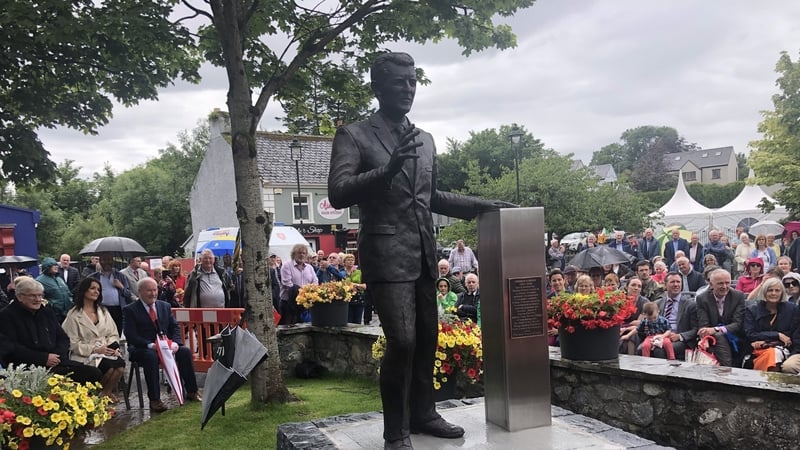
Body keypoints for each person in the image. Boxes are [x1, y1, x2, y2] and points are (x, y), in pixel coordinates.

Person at [327, 52, 511, 449]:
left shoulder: (424, 139)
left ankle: (424, 413)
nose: (408, 88)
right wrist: (387, 171)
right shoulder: (354, 135)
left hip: (425, 253)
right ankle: (396, 431)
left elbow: (433, 197)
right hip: (386, 254)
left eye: (413, 81)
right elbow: (338, 192)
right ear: (378, 87)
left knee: (428, 337)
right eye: (399, 82)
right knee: (404, 341)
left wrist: (484, 204)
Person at [0, 277, 102, 383]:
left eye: (40, 295)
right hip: (28, 367)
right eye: (33, 296)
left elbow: (63, 338)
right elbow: (11, 349)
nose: (38, 299)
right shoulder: (6, 316)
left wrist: (57, 357)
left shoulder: (46, 312)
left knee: (93, 373)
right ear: (20, 297)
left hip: (56, 362)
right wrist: (44, 358)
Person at [122, 277, 201, 412]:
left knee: (185, 352)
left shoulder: (164, 306)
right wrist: (151, 345)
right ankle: (155, 400)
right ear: (140, 292)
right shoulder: (130, 310)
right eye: (149, 291)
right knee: (151, 357)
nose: (153, 294)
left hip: (166, 346)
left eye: (155, 290)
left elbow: (174, 327)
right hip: (142, 348)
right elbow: (131, 335)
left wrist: (176, 343)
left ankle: (192, 391)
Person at [62, 277, 126, 400]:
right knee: (110, 367)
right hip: (85, 355)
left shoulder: (103, 311)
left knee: (120, 366)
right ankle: (97, 395)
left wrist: (112, 347)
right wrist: (95, 350)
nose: (96, 291)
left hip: (106, 350)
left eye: (98, 289)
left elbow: (113, 333)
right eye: (92, 288)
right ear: (84, 291)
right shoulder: (74, 315)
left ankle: (104, 394)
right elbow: (72, 343)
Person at [695, 268, 746, 367]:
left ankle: (726, 369)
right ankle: (727, 370)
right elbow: (703, 324)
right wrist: (704, 336)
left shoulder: (738, 296)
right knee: (716, 338)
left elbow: (737, 324)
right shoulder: (702, 299)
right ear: (711, 284)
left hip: (735, 336)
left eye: (727, 283)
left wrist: (716, 329)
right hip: (712, 338)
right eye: (720, 283)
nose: (725, 286)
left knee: (718, 336)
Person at [743, 277, 795, 371]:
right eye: (770, 290)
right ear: (764, 292)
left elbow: (789, 334)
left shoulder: (791, 309)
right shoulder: (752, 310)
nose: (773, 293)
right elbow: (751, 334)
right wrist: (777, 334)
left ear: (782, 292)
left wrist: (766, 341)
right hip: (756, 349)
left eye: (777, 290)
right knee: (772, 355)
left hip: (781, 348)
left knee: (773, 353)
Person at [654, 272, 698, 360]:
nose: (676, 285)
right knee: (640, 348)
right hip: (659, 337)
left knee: (659, 350)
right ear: (665, 285)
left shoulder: (690, 304)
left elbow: (696, 329)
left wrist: (679, 336)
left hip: (680, 340)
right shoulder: (657, 304)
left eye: (678, 282)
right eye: (672, 282)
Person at [90, 253, 133, 334]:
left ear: (112, 261)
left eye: (109, 259)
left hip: (118, 311)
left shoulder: (121, 276)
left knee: (117, 333)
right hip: (100, 310)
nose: (107, 262)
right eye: (104, 260)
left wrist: (121, 287)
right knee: (102, 333)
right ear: (100, 261)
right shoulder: (93, 277)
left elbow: (128, 295)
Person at [279, 244, 318, 325]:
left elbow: (315, 282)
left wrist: (308, 294)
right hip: (289, 304)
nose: (302, 255)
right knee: (288, 328)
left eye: (304, 253)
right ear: (294, 254)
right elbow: (287, 284)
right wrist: (304, 293)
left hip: (305, 304)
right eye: (299, 253)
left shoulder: (309, 267)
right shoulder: (287, 266)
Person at [35, 257, 73, 323]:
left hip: (66, 314)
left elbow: (68, 293)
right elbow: (39, 298)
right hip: (53, 315)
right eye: (53, 265)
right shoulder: (39, 280)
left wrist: (70, 301)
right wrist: (51, 305)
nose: (56, 267)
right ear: (47, 267)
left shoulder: (59, 279)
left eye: (56, 265)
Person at [619, 278, 648, 355]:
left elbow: (638, 324)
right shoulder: (620, 300)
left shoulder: (644, 303)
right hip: (619, 328)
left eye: (639, 286)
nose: (636, 288)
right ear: (627, 287)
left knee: (633, 337)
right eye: (633, 285)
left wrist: (625, 328)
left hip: (637, 331)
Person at [342, 254, 366, 324]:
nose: (350, 262)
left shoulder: (359, 272)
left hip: (359, 300)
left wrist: (356, 284)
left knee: (358, 322)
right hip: (347, 301)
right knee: (348, 322)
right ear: (344, 262)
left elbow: (365, 286)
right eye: (348, 260)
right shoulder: (342, 273)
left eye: (352, 260)